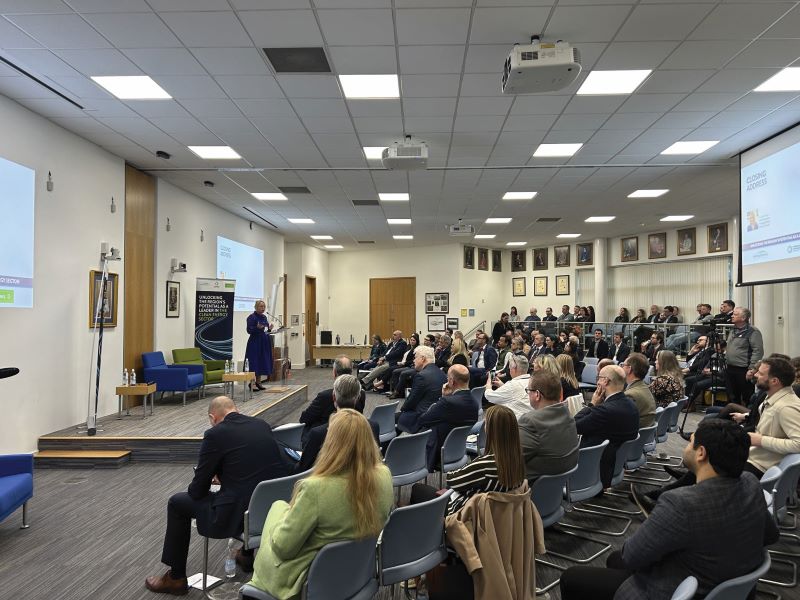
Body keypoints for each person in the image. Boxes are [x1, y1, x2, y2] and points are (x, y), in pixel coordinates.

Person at [562, 419, 779, 600]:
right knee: (614, 559)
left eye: (690, 442)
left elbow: (632, 556)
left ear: (701, 453)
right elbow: (771, 535)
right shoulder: (750, 482)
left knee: (573, 577)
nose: (686, 447)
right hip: (730, 583)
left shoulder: (681, 503)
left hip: (683, 590)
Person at [145, 396, 291, 595]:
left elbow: (197, 490)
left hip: (235, 515)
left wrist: (214, 476)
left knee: (177, 503)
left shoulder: (215, 434)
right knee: (251, 490)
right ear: (236, 410)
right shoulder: (261, 425)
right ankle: (247, 555)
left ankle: (176, 578)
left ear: (212, 417)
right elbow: (259, 468)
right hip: (272, 510)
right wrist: (226, 475)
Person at [249, 409, 393, 599]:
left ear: (331, 442)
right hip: (358, 573)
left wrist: (279, 516)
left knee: (277, 507)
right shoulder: (384, 475)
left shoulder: (315, 488)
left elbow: (283, 549)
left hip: (312, 582)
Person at [411, 404, 526, 517]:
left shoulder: (485, 465)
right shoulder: (517, 460)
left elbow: (452, 480)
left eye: (486, 424)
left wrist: (468, 468)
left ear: (491, 430)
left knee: (418, 489)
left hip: (466, 515)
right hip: (497, 515)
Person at [574, 365, 639, 488]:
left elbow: (574, 425)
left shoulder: (604, 411)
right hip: (613, 466)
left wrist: (592, 404)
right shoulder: (631, 404)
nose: (597, 381)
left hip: (590, 471)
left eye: (598, 378)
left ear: (605, 381)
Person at [298, 375, 379, 472]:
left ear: (333, 397)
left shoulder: (318, 433)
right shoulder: (373, 427)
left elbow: (303, 469)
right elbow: (374, 463)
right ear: (358, 398)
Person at [518, 370, 579, 481]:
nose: (528, 394)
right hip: (557, 487)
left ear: (537, 395)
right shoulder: (568, 415)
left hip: (529, 490)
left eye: (528, 391)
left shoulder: (530, 421)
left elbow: (509, 458)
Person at [418, 364, 480, 471]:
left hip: (439, 453)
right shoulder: (475, 403)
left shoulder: (447, 402)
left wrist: (443, 398)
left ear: (451, 381)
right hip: (459, 451)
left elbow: (423, 420)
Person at [299, 355, 366, 445]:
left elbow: (304, 419)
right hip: (352, 437)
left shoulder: (325, 396)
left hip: (325, 440)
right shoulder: (361, 394)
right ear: (351, 371)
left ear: (334, 373)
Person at [397, 345, 447, 433]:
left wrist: (402, 410)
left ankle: (387, 446)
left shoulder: (421, 376)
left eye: (415, 357)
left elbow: (411, 401)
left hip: (422, 416)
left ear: (423, 358)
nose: (413, 360)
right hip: (437, 415)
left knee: (391, 419)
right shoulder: (441, 373)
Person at [725, 306, 764, 406]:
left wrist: (752, 369)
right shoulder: (733, 330)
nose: (732, 316)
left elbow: (758, 351)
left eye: (735, 314)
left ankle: (747, 418)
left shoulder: (753, 332)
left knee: (747, 397)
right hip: (730, 368)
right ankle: (732, 418)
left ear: (743, 318)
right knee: (732, 396)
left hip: (744, 370)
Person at [484, 354, 531, 420]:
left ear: (514, 368)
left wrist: (489, 382)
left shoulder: (513, 384)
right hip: (529, 420)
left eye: (509, 368)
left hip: (517, 423)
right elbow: (516, 393)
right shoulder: (532, 381)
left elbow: (489, 396)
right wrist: (502, 385)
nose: (509, 370)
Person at [245, 299, 273, 391]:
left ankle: (259, 382)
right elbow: (249, 330)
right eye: (261, 306)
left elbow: (265, 330)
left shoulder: (264, 317)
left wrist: (269, 329)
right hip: (255, 342)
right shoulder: (251, 317)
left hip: (264, 342)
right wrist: (256, 328)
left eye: (264, 306)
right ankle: (252, 383)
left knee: (261, 361)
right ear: (256, 307)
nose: (263, 308)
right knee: (254, 361)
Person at [621, 353, 656, 427]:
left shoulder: (630, 395)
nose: (621, 367)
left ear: (629, 369)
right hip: (645, 436)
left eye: (623, 365)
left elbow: (619, 420)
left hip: (634, 436)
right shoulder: (644, 386)